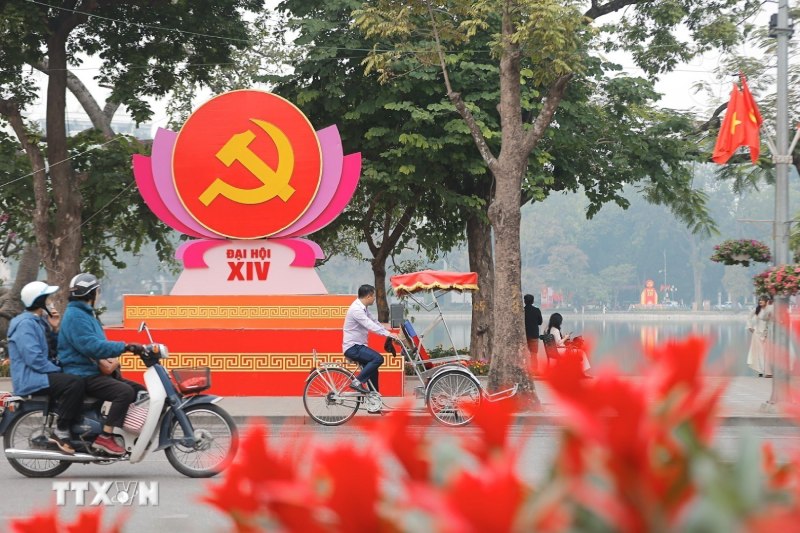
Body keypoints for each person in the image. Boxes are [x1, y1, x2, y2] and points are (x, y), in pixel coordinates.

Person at [58, 273, 145, 456]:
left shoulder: (85, 314)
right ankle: (106, 437)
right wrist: (125, 347)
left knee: (139, 390)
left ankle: (122, 429)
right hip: (82, 372)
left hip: (92, 369)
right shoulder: (76, 316)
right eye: (98, 291)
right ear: (91, 294)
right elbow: (92, 346)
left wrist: (117, 353)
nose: (99, 294)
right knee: (124, 392)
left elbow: (98, 344)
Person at [7, 281, 85, 454]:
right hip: (31, 378)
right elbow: (34, 359)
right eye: (47, 298)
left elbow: (53, 348)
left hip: (39, 374)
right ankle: (61, 429)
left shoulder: (38, 321)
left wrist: (55, 328)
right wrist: (58, 371)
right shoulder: (25, 325)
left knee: (77, 379)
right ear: (39, 301)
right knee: (74, 383)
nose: (50, 302)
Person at [342, 284, 398, 397]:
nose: (374, 299)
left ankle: (374, 399)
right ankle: (357, 382)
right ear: (368, 296)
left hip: (358, 346)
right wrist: (388, 334)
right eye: (374, 297)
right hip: (353, 347)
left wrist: (388, 331)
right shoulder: (356, 310)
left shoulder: (363, 308)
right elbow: (369, 325)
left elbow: (374, 321)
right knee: (378, 358)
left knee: (373, 370)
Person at [746, 295, 773, 377]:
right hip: (757, 334)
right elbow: (749, 317)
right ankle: (760, 370)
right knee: (759, 352)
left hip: (766, 334)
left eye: (762, 300)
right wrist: (750, 327)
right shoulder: (757, 310)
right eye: (759, 300)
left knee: (766, 353)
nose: (760, 302)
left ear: (766, 301)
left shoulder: (769, 310)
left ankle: (768, 372)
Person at [524, 294, 543, 372]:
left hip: (524, 335)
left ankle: (526, 369)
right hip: (534, 335)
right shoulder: (537, 310)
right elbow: (540, 322)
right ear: (533, 301)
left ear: (524, 301)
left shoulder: (522, 310)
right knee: (534, 354)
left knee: (525, 354)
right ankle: (534, 370)